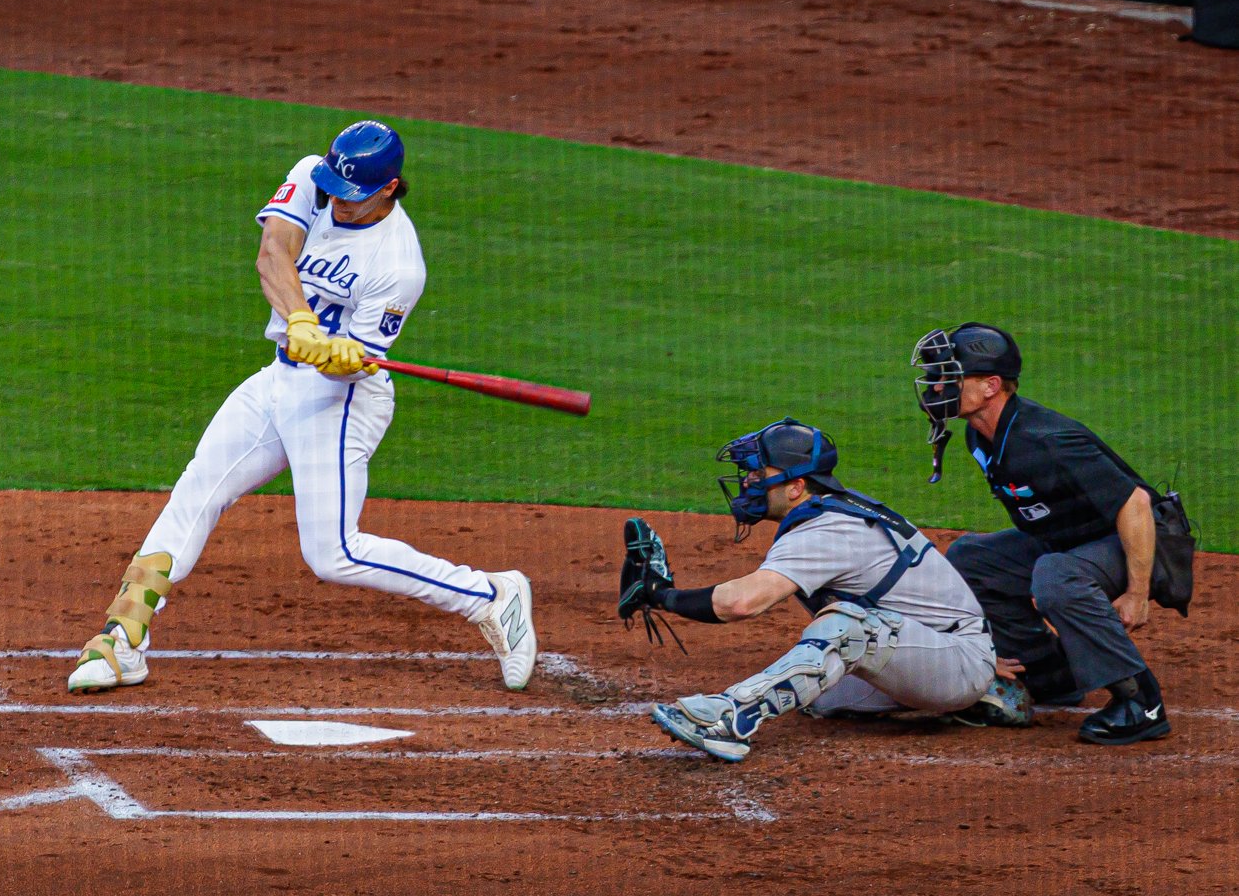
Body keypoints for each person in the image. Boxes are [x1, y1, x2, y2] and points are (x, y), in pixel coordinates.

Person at [66, 120, 537, 695]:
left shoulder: (400, 266)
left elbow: (357, 360)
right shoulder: (315, 179)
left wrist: (342, 356)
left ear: (389, 187)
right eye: (333, 188)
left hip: (339, 401)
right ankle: (125, 638)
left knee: (334, 555)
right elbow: (272, 254)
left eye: (353, 195)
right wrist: (301, 321)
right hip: (277, 382)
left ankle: (490, 596)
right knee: (198, 490)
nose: (337, 200)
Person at [624, 418, 1004, 763]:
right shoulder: (824, 514)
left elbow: (741, 603)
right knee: (815, 692)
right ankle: (973, 697)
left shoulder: (827, 530)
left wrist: (662, 595)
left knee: (848, 628)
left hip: (955, 659)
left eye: (758, 473)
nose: (747, 482)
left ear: (796, 487)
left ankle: (730, 718)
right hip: (930, 650)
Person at [912, 323, 1168, 745]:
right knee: (972, 561)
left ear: (991, 385)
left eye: (949, 377)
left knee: (1056, 575)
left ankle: (1142, 703)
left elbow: (1135, 503)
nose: (937, 386)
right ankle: (1052, 676)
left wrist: (1138, 592)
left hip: (1139, 541)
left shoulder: (1044, 438)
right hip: (1075, 538)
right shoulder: (980, 435)